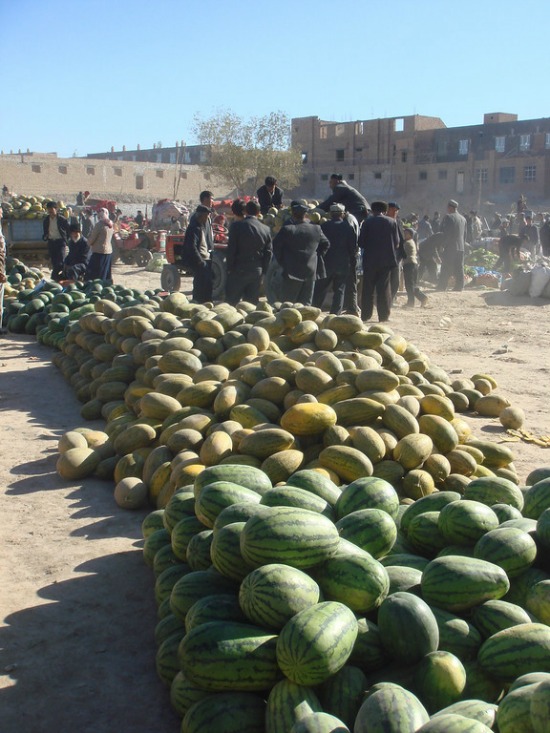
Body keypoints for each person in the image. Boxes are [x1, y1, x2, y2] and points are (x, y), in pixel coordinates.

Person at [273, 200, 330, 306]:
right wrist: (315, 256)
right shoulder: (316, 229)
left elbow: (276, 247)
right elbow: (326, 244)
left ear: (293, 214)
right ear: (306, 214)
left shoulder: (287, 229)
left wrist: (283, 262)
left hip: (292, 272)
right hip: (310, 270)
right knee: (306, 305)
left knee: (288, 305)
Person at [358, 201, 401, 323]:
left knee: (368, 289)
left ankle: (366, 315)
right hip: (386, 261)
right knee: (384, 289)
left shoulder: (367, 222)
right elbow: (397, 242)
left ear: (372, 210)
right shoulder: (392, 222)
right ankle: (383, 316)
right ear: (385, 210)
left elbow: (361, 242)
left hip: (370, 261)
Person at [313, 203, 358, 314]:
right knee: (339, 290)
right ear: (342, 214)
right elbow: (353, 248)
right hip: (343, 264)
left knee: (320, 289)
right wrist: (353, 263)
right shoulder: (348, 228)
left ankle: (314, 310)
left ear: (331, 214)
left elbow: (318, 245)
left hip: (326, 263)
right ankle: (335, 315)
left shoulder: (324, 226)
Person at [225, 200, 272, 305]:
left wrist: (229, 268)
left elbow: (231, 250)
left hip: (238, 270)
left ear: (245, 211)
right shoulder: (266, 229)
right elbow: (268, 253)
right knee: (251, 305)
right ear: (258, 213)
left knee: (231, 303)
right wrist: (263, 271)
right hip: (256, 271)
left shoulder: (236, 226)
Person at [180, 204, 213, 302]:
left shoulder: (201, 226)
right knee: (200, 284)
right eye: (206, 216)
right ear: (201, 215)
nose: (207, 218)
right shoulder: (194, 228)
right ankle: (198, 302)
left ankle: (206, 302)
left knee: (207, 284)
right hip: (199, 261)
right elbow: (192, 247)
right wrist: (200, 261)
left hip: (205, 259)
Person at [436, 200, 467, 292]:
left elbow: (446, 233)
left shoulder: (448, 217)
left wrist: (442, 245)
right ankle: (459, 286)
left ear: (450, 208)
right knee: (459, 267)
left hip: (450, 246)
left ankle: (442, 286)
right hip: (460, 247)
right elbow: (465, 235)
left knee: (446, 266)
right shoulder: (463, 218)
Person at [42, 201, 70, 280]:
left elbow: (68, 230)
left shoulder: (62, 219)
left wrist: (66, 240)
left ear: (56, 209)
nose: (50, 211)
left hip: (60, 242)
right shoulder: (46, 220)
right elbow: (45, 232)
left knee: (61, 261)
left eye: (52, 209)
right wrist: (45, 237)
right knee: (54, 261)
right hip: (51, 242)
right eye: (49, 209)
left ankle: (57, 276)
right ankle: (57, 278)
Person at [402, 227, 428, 308]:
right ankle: (422, 298)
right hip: (412, 265)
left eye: (406, 233)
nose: (405, 235)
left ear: (411, 235)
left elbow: (401, 252)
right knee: (412, 285)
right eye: (404, 233)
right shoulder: (412, 242)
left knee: (409, 285)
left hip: (409, 265)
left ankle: (411, 302)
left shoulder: (408, 243)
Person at [85, 207, 114, 282]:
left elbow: (92, 238)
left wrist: (87, 243)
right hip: (108, 252)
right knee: (105, 273)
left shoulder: (99, 225)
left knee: (94, 274)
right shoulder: (111, 224)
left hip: (99, 252)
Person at [387, 202, 406, 300]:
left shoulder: (398, 222)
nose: (395, 212)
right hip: (385, 254)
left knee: (395, 279)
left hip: (397, 255)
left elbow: (402, 238)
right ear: (388, 210)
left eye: (396, 211)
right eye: (393, 210)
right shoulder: (384, 221)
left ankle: (391, 298)